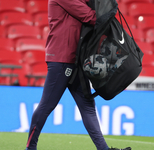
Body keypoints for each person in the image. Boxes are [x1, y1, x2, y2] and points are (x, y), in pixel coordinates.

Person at [25, 0, 131, 150]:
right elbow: (90, 16)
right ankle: (30, 147)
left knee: (87, 106)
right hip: (62, 58)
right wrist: (108, 9)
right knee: (47, 105)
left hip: (75, 59)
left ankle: (104, 149)